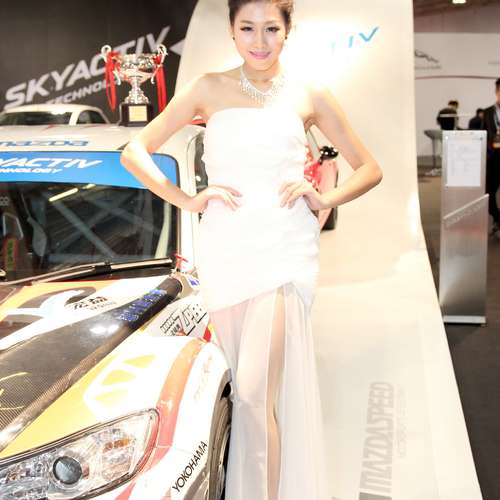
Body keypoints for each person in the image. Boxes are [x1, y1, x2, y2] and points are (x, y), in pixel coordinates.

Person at [120, 0, 383, 498]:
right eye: (247, 28)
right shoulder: (206, 88)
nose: (259, 41)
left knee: (255, 394)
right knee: (247, 394)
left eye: (270, 29)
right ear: (231, 30)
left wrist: (324, 198)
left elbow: (369, 167)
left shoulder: (311, 93)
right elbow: (136, 151)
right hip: (226, 248)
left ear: (288, 31)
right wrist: (188, 199)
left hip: (284, 249)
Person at [482, 78, 500, 236]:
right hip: (493, 159)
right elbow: (483, 134)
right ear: (496, 91)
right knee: (488, 193)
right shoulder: (487, 112)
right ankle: (498, 219)